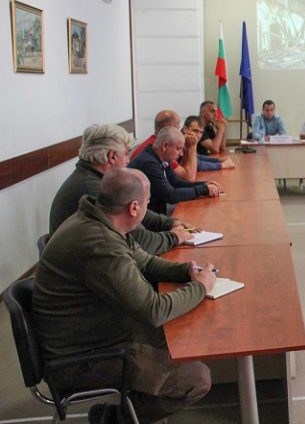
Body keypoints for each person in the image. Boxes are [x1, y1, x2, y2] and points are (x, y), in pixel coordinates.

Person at [33, 168, 215, 424]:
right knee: (196, 378)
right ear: (133, 208)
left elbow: (147, 263)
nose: (148, 208)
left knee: (185, 334)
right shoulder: (100, 243)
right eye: (147, 203)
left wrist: (188, 271)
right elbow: (154, 311)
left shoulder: (100, 220)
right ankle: (113, 419)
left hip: (98, 331)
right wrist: (201, 288)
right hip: (82, 357)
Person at [49, 124, 192, 255]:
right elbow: (137, 241)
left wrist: (169, 223)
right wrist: (174, 237)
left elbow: (139, 211)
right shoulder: (94, 189)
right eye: (126, 154)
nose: (128, 160)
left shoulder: (94, 179)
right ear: (112, 156)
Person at [129, 127, 221, 215]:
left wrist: (204, 184)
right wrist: (202, 190)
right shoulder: (149, 163)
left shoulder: (161, 158)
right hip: (148, 219)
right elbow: (171, 196)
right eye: (178, 148)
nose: (181, 153)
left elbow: (176, 182)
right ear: (165, 146)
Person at [131, 110, 201, 181]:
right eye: (178, 124)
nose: (180, 128)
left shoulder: (154, 142)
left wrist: (186, 150)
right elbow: (188, 178)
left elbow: (180, 173)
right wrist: (192, 146)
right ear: (169, 127)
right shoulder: (161, 148)